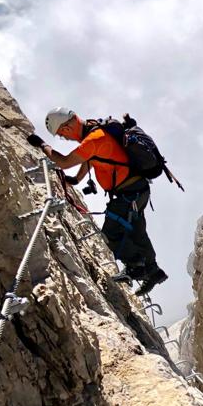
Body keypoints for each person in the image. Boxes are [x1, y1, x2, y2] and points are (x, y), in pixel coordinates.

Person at [26, 107, 168, 297]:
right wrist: (76, 180)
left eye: (61, 135)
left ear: (66, 128)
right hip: (136, 190)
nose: (64, 139)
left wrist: (42, 145)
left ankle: (137, 267)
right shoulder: (94, 129)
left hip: (129, 193)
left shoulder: (94, 138)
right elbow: (91, 158)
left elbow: (65, 162)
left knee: (111, 234)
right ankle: (153, 271)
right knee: (137, 231)